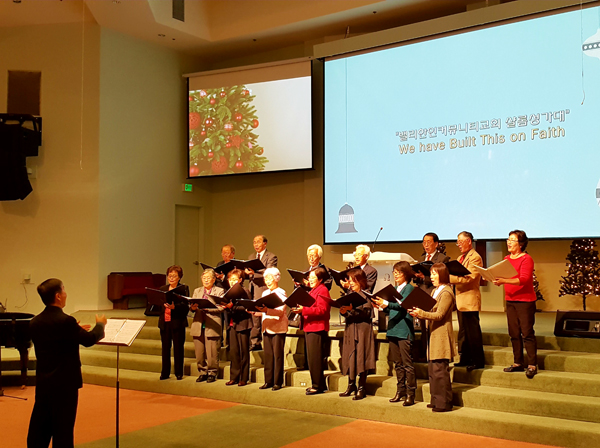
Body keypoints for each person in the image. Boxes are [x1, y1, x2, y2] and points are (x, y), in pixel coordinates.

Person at [27, 278, 106, 448]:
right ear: (58, 296)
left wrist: (74, 330)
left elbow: (54, 340)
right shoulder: (66, 322)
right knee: (63, 431)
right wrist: (100, 324)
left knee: (40, 429)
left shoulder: (35, 322)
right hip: (65, 385)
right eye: (64, 290)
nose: (65, 293)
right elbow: (89, 340)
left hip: (44, 383)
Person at [410, 263, 457, 412]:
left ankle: (444, 402)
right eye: (431, 274)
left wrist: (421, 314)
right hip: (433, 334)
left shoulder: (447, 292)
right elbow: (429, 309)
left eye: (434, 274)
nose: (431, 277)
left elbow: (439, 315)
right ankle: (435, 399)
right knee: (433, 370)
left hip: (441, 334)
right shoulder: (435, 291)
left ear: (442, 275)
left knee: (440, 370)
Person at [493, 230, 538, 379]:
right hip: (510, 300)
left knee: (527, 333)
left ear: (521, 244)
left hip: (525, 301)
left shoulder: (527, 259)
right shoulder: (506, 259)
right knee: (513, 333)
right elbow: (504, 276)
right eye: (508, 239)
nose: (509, 242)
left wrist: (504, 280)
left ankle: (532, 364)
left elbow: (524, 279)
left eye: (512, 240)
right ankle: (518, 362)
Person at [372, 261, 416, 406]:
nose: (395, 274)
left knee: (407, 364)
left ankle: (410, 393)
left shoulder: (409, 288)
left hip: (404, 330)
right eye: (394, 272)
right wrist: (381, 307)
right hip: (393, 328)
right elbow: (393, 308)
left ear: (406, 274)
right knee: (397, 363)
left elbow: (402, 306)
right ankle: (400, 390)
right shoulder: (395, 288)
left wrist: (387, 304)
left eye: (399, 272)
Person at [291, 267, 332, 394]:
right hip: (310, 326)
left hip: (317, 327)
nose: (310, 280)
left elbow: (322, 310)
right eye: (309, 277)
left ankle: (318, 386)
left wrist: (304, 310)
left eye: (313, 278)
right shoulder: (314, 290)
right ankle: (318, 384)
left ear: (320, 279)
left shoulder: (323, 290)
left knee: (315, 358)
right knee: (312, 358)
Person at [450, 231, 485, 371]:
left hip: (469, 298)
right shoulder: (460, 257)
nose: (458, 244)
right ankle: (465, 358)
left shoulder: (475, 257)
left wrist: (449, 278)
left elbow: (470, 277)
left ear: (469, 241)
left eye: (461, 241)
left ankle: (477, 360)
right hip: (461, 299)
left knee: (473, 331)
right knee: (463, 332)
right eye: (457, 242)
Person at [339, 268, 376, 400]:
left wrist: (351, 310)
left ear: (360, 281)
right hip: (351, 328)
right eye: (350, 280)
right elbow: (346, 311)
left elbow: (366, 313)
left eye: (354, 280)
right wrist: (344, 311)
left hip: (362, 329)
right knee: (351, 356)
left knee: (361, 356)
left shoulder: (365, 295)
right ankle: (351, 385)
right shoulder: (348, 295)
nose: (351, 283)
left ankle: (361, 387)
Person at [253, 267, 288, 390]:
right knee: (268, 356)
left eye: (270, 279)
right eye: (266, 279)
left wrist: (266, 310)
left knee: (277, 356)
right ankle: (268, 381)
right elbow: (263, 312)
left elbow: (280, 312)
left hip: (278, 328)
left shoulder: (281, 292)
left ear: (276, 279)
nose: (267, 281)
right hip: (267, 327)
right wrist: (255, 311)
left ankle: (277, 382)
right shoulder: (264, 293)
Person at [191, 269, 224, 383]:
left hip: (212, 323)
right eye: (204, 278)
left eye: (208, 278)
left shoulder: (219, 291)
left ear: (214, 280)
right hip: (198, 324)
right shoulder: (197, 291)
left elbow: (221, 307)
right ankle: (202, 372)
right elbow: (192, 307)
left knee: (212, 352)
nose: (205, 280)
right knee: (199, 353)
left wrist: (208, 308)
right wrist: (193, 308)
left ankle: (212, 372)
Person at [246, 235, 278, 351]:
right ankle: (255, 342)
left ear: (265, 243)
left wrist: (254, 273)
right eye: (254, 242)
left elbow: (269, 272)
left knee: (261, 315)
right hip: (252, 289)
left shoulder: (271, 256)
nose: (256, 244)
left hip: (263, 288)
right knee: (254, 316)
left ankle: (264, 341)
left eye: (258, 242)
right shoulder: (251, 256)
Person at [158, 265, 190, 380]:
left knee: (178, 348)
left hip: (177, 322)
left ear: (179, 277)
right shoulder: (162, 288)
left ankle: (178, 372)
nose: (171, 278)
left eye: (174, 276)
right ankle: (165, 372)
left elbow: (186, 307)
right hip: (165, 322)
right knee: (165, 348)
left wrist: (174, 307)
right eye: (169, 276)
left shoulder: (183, 289)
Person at [223, 269, 253, 386]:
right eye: (230, 280)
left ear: (240, 280)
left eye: (235, 279)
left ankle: (243, 378)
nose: (232, 282)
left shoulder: (245, 291)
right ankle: (234, 377)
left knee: (243, 352)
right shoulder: (228, 293)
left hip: (243, 324)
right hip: (232, 325)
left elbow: (247, 308)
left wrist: (232, 307)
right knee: (234, 352)